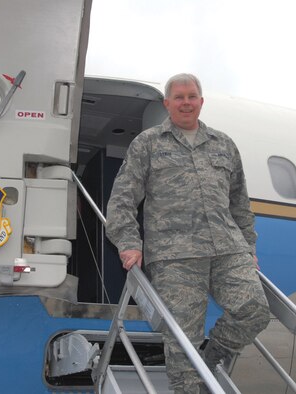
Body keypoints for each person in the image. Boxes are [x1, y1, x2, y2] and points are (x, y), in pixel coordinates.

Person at [106, 73, 270, 393]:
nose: (186, 103)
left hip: (227, 248)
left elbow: (239, 202)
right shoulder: (149, 143)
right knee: (182, 340)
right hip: (174, 255)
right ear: (167, 103)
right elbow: (123, 199)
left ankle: (211, 358)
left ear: (201, 102)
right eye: (178, 97)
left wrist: (248, 246)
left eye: (191, 96)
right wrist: (128, 243)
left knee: (254, 310)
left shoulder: (223, 144)